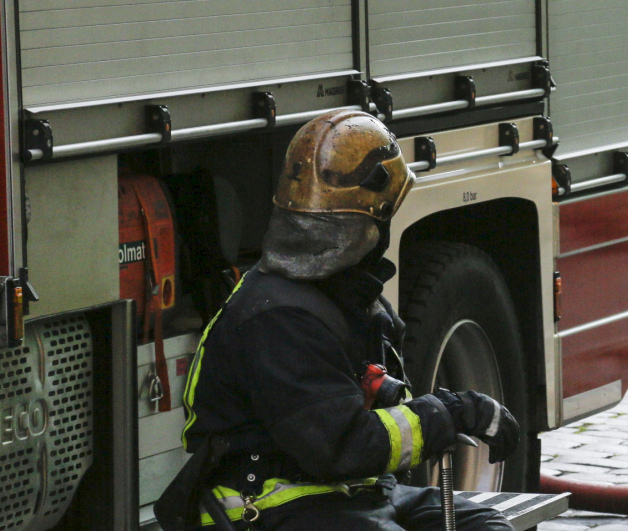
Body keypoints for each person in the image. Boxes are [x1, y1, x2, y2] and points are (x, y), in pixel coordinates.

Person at [174, 110, 519, 530]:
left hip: (353, 492)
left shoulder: (346, 298)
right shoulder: (278, 319)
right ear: (373, 222)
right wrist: (450, 413)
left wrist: (386, 393)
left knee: (487, 526)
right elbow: (344, 446)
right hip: (271, 503)